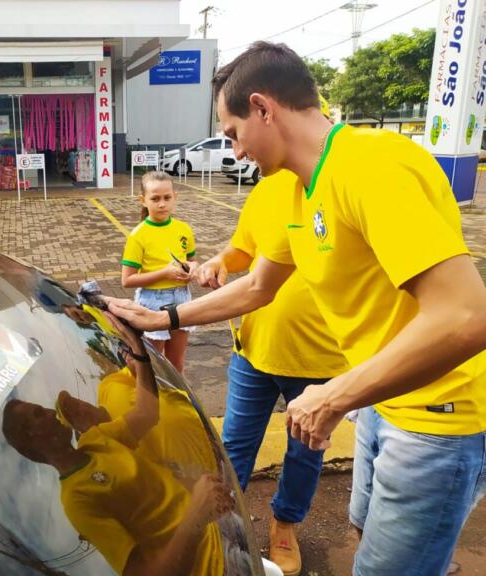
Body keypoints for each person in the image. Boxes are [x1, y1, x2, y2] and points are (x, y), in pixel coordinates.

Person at [107, 41, 486, 576]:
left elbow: (467, 316)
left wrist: (334, 394)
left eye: (235, 133)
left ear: (263, 107)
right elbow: (258, 286)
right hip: (386, 401)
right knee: (367, 539)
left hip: (436, 419)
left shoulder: (370, 165)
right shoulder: (296, 188)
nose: (234, 152)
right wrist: (163, 318)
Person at [196, 166, 349, 576]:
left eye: (236, 133)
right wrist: (221, 260)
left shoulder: (338, 184)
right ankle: (227, 524)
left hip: (319, 359)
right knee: (233, 445)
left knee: (305, 451)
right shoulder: (265, 191)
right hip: (254, 350)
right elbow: (244, 248)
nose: (238, 152)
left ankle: (284, 525)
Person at [2, 313, 235, 575]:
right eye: (38, 414)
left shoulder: (95, 440)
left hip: (220, 528)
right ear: (31, 436)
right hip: (212, 566)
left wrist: (139, 351)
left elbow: (147, 414)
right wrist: (195, 515)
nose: (48, 412)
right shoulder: (77, 499)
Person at [120, 170, 197, 372]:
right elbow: (127, 280)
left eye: (167, 198)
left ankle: (177, 400)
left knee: (176, 362)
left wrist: (193, 270)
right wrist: (164, 273)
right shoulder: (138, 235)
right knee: (153, 366)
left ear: (175, 197)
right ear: (143, 200)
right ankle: (151, 401)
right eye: (155, 198)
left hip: (182, 297)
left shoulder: (184, 229)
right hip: (153, 301)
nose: (162, 204)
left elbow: (192, 261)